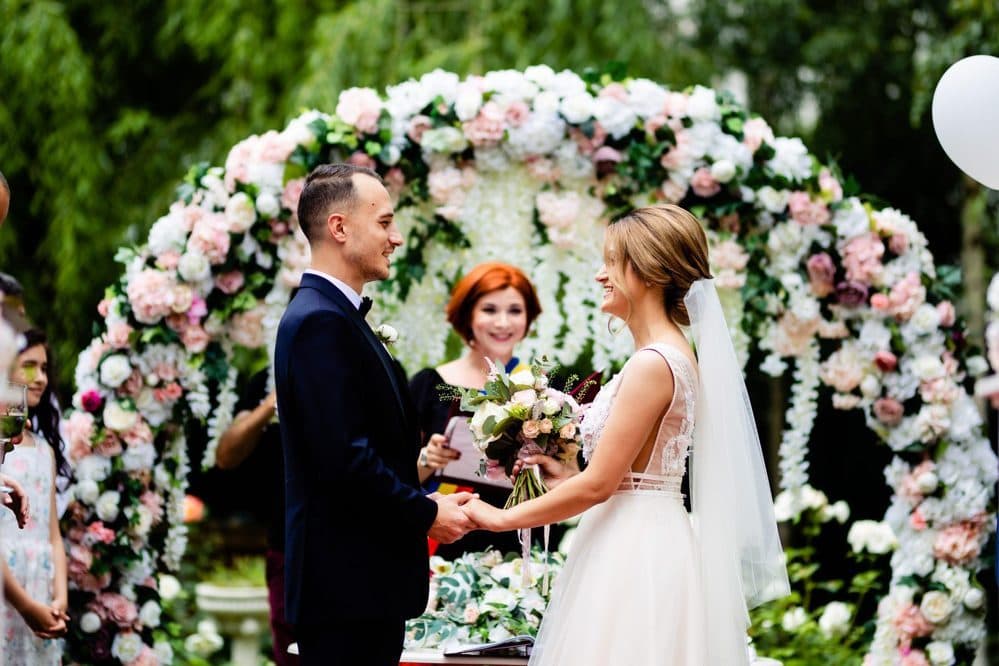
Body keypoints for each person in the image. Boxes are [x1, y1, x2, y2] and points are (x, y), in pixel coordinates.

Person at [465, 205, 789, 665]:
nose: (600, 275)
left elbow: (599, 486)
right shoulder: (663, 356)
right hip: (634, 532)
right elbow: (619, 476)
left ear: (650, 271)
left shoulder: (654, 363)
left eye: (611, 261)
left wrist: (497, 519)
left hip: (638, 553)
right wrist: (562, 473)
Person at [274, 163, 475, 666]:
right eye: (384, 223)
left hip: (362, 590)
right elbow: (344, 460)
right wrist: (428, 512)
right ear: (339, 228)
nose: (396, 237)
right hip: (345, 589)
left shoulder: (335, 316)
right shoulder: (320, 321)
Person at [409, 262, 545, 558]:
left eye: (514, 310)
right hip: (446, 535)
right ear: (468, 314)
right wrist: (427, 460)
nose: (503, 323)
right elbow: (394, 477)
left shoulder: (542, 389)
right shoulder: (430, 384)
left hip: (517, 536)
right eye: (489, 310)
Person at [215, 367, 296, 666]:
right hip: (287, 548)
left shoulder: (366, 366)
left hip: (355, 550)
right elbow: (226, 455)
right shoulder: (265, 379)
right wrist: (271, 403)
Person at [1, 329, 69, 662]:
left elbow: (53, 535)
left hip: (40, 586)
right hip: (6, 589)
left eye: (45, 368)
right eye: (30, 366)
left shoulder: (45, 450)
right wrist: (24, 605)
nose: (41, 377)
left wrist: (60, 596)